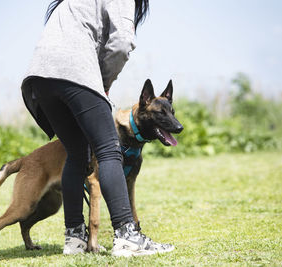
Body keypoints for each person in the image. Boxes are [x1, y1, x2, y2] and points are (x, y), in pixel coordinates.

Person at [21, 0, 174, 257]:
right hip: (74, 72)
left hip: (40, 78)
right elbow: (122, 44)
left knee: (76, 153)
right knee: (110, 150)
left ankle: (75, 240)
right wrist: (102, 82)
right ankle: (127, 237)